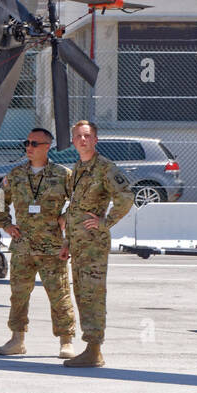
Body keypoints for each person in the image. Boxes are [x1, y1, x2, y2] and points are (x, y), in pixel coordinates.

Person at [0, 127, 77, 359]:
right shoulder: (16, 175)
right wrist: (6, 224)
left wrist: (65, 217)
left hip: (51, 246)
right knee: (18, 294)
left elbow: (79, 202)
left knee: (59, 293)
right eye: (27, 143)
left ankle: (66, 341)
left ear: (47, 147)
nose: (29, 147)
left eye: (34, 144)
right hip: (23, 246)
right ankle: (17, 339)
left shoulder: (63, 175)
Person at [64, 119, 134, 368]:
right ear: (73, 141)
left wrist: (105, 222)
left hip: (93, 244)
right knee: (82, 294)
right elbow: (74, 208)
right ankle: (90, 348)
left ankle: (94, 349)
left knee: (93, 294)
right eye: (78, 136)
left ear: (95, 139)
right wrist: (67, 242)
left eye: (87, 136)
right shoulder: (79, 168)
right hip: (79, 244)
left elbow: (126, 196)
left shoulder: (105, 167)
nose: (82, 140)